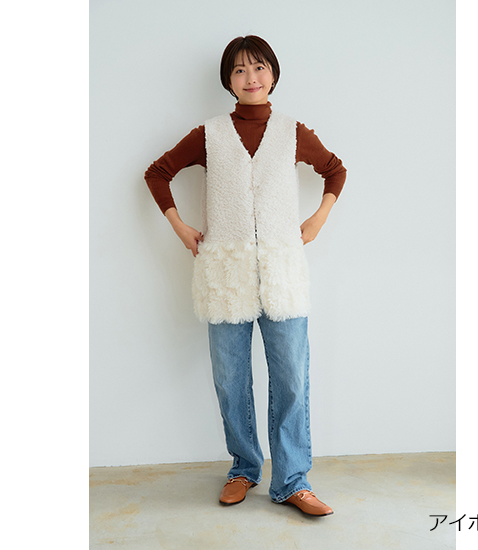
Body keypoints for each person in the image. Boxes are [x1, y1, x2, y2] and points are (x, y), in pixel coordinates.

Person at [144, 35, 346, 517]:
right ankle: (244, 468)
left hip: (282, 271)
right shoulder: (209, 134)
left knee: (292, 378)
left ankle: (292, 480)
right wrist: (180, 227)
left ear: (272, 74)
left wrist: (318, 218)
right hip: (225, 275)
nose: (250, 77)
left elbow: (335, 171)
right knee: (230, 379)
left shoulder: (293, 131)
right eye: (239, 70)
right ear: (228, 81)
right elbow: (157, 173)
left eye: (258, 67)